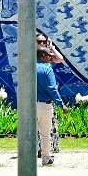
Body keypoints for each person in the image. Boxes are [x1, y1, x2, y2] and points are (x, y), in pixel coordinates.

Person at [34, 32, 61, 166]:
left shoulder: (28, 65)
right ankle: (45, 157)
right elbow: (52, 88)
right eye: (40, 42)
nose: (42, 44)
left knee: (31, 132)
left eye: (44, 41)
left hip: (30, 103)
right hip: (45, 104)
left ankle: (30, 157)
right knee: (45, 133)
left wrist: (51, 47)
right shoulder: (46, 68)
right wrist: (61, 103)